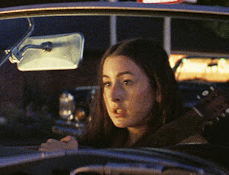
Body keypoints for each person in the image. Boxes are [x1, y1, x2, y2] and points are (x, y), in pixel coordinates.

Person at [40, 38, 198, 151]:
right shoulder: (100, 143)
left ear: (158, 90)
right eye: (107, 84)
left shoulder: (187, 149)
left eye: (126, 82)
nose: (113, 95)